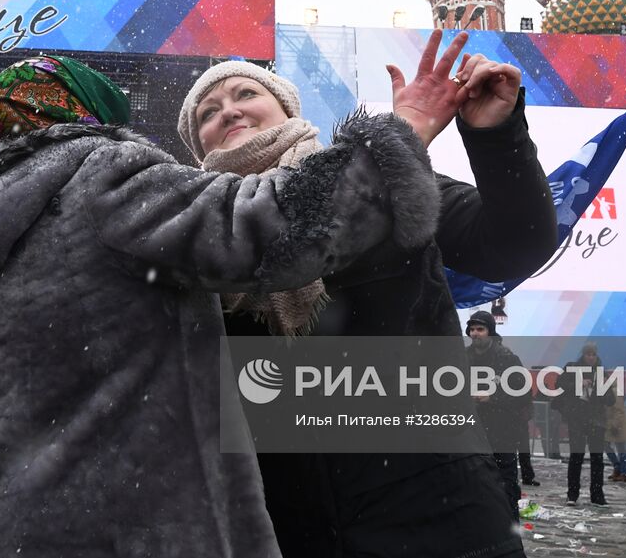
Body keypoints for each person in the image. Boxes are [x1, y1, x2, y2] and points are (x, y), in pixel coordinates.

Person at [0, 52, 445, 558]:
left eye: (247, 93)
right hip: (122, 526)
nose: (231, 113)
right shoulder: (96, 172)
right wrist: (400, 135)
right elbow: (268, 226)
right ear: (93, 113)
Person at [178, 30, 558, 558]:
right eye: (208, 112)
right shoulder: (190, 238)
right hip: (284, 524)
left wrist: (497, 136)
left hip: (436, 509)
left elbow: (515, 244)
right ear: (200, 144)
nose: (229, 111)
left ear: (284, 107)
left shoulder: (380, 182)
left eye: (246, 93)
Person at [464, 310, 533, 509]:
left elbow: (524, 394)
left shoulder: (507, 358)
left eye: (481, 329)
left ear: (490, 332)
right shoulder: (463, 359)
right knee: (474, 484)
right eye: (472, 329)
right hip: (472, 431)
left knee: (506, 484)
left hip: (501, 432)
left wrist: (492, 398)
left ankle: (509, 528)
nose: (475, 333)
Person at [555, 342, 615, 507]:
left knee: (597, 459)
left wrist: (600, 388)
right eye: (588, 354)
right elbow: (559, 384)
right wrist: (578, 384)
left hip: (596, 420)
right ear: (583, 355)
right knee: (576, 456)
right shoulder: (572, 368)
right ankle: (572, 494)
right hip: (578, 419)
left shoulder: (601, 372)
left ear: (596, 356)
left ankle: (597, 494)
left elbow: (611, 400)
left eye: (592, 354)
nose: (590, 357)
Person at [605, 385, 626, 482]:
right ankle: (618, 468)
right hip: (610, 424)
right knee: (609, 445)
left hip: (616, 425)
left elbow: (619, 411)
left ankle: (624, 472)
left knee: (620, 447)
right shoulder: (608, 391)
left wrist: (614, 425)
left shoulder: (614, 391)